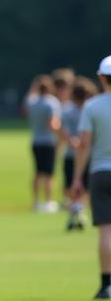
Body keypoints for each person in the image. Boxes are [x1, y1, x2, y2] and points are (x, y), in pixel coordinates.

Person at [71, 57, 111, 299]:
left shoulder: (92, 106)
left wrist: (77, 178)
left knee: (106, 231)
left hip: (100, 172)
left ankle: (107, 284)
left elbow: (84, 144)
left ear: (100, 77)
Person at [61, 78, 96, 231]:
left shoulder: (67, 110)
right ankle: (79, 210)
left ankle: (75, 211)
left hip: (71, 153)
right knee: (85, 187)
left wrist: (71, 141)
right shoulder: (91, 108)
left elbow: (62, 130)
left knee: (72, 186)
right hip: (89, 154)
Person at [24, 75, 61, 212]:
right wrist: (63, 135)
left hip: (35, 141)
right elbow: (53, 123)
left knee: (38, 172)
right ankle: (48, 201)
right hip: (49, 141)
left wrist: (34, 85)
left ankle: (35, 201)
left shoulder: (32, 102)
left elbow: (26, 104)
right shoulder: (51, 102)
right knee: (49, 174)